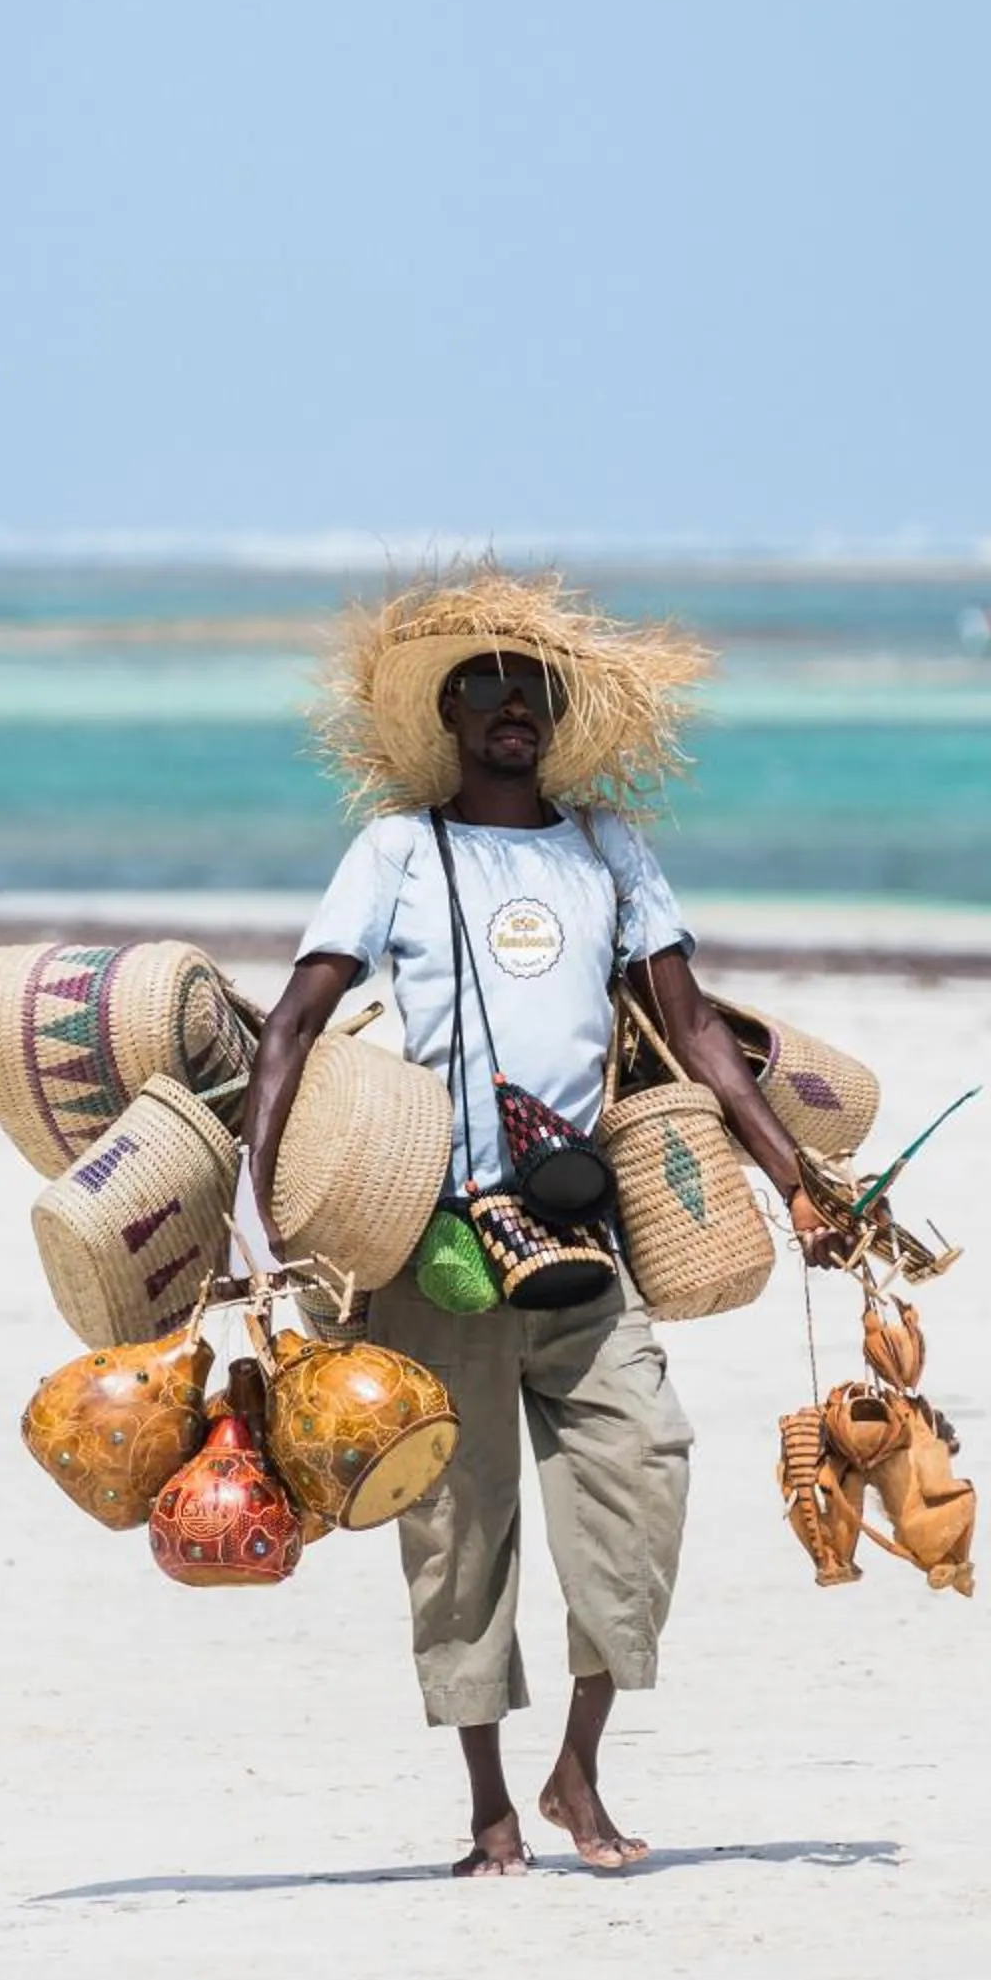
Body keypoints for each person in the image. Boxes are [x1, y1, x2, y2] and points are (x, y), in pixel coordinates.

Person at [242, 569, 842, 1879]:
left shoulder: (610, 850)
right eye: (488, 687)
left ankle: (578, 1768)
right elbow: (291, 1024)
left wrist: (798, 1179)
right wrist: (254, 1211)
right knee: (457, 1528)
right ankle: (487, 1810)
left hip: (584, 1239)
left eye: (535, 689)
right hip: (433, 1241)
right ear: (450, 712)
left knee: (645, 1474)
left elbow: (695, 1033)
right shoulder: (397, 851)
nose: (514, 705)